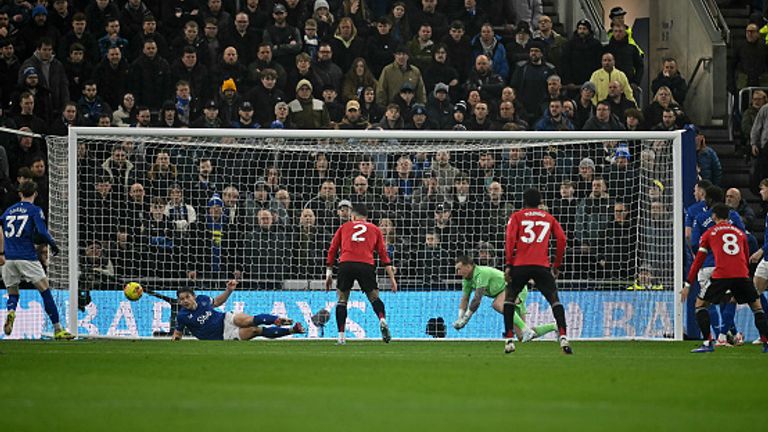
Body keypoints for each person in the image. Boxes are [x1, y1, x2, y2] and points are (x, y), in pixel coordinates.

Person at [683, 204, 768, 353]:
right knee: (757, 308)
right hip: (741, 274)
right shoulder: (740, 233)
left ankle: (708, 342)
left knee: (700, 305)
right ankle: (766, 343)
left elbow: (698, 261)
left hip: (721, 275)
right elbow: (745, 254)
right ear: (728, 216)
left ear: (714, 216)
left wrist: (688, 283)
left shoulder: (709, 233)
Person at [2, 181, 72, 339]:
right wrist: (53, 244)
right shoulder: (35, 210)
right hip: (27, 257)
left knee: (13, 293)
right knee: (45, 292)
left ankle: (11, 311)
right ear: (35, 193)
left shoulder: (8, 211)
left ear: (20, 194)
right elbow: (42, 231)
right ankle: (57, 329)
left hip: (8, 258)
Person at [503, 188, 569, 354]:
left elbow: (510, 239)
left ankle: (509, 339)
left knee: (509, 299)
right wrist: (556, 265)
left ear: (524, 201)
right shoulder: (549, 217)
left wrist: (509, 264)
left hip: (521, 265)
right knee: (554, 299)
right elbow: (562, 239)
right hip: (542, 265)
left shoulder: (516, 216)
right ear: (540, 201)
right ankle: (563, 336)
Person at [325, 204, 397, 344]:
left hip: (346, 264)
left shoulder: (344, 227)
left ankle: (341, 337)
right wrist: (392, 279)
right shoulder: (375, 229)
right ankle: (382, 319)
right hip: (366, 265)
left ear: (353, 216)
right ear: (366, 218)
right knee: (374, 297)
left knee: (342, 300)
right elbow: (383, 255)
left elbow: (332, 250)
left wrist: (329, 273)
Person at [452, 255, 556, 341]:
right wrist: (459, 318)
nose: (457, 272)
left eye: (459, 269)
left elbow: (476, 299)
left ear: (468, 266)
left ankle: (526, 330)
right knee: (520, 336)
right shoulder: (466, 281)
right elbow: (464, 299)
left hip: (515, 287)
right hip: (506, 291)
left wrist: (465, 320)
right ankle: (554, 327)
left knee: (498, 304)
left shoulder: (481, 273)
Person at [173, 280, 304, 341]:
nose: (185, 301)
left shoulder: (203, 299)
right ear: (179, 302)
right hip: (222, 336)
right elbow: (177, 334)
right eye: (182, 299)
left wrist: (229, 290)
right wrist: (175, 340)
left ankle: (276, 319)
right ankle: (293, 330)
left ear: (193, 296)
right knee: (255, 330)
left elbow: (218, 301)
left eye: (187, 297)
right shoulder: (182, 316)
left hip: (225, 319)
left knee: (248, 320)